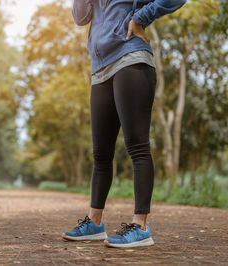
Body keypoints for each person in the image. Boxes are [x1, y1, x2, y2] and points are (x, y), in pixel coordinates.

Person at [62, 0, 186, 248]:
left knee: (137, 146)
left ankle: (140, 226)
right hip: (100, 69)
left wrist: (140, 18)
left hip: (131, 59)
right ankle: (95, 224)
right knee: (101, 154)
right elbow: (80, 17)